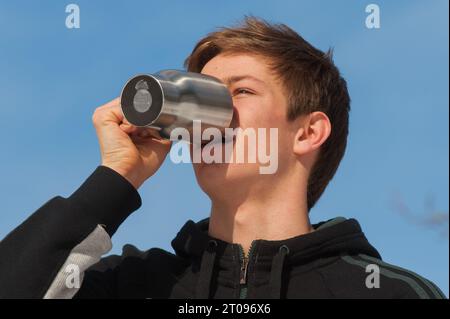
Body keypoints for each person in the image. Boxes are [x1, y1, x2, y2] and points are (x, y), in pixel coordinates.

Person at [0, 17, 445, 299]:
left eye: (241, 92)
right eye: (202, 95)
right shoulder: (130, 285)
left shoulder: (388, 293)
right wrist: (113, 180)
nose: (210, 116)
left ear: (308, 132)